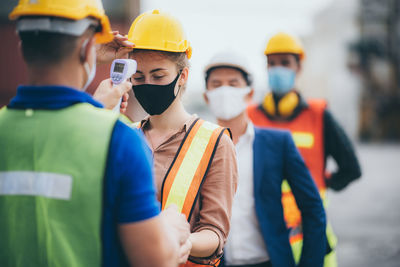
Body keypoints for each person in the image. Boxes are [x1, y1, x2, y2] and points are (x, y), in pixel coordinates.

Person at [0, 1, 191, 266]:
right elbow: (154, 260)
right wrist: (171, 227)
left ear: (21, 46)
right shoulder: (119, 140)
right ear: (87, 47)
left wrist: (96, 103)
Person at [126, 10, 238, 266]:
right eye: (138, 78)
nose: (148, 85)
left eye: (158, 76)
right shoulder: (126, 136)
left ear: (182, 76)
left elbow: (215, 232)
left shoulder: (215, 141)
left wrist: (183, 242)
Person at [247, 32, 362, 266]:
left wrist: (321, 182)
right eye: (272, 63)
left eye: (285, 63)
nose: (278, 69)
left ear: (299, 66)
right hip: (264, 234)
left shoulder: (319, 115)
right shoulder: (250, 118)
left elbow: (351, 168)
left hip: (311, 232)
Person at [203, 51, 326, 267]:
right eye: (217, 84)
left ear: (249, 94)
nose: (225, 91)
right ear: (206, 96)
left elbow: (313, 208)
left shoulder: (277, 144)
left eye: (233, 83)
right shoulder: (196, 147)